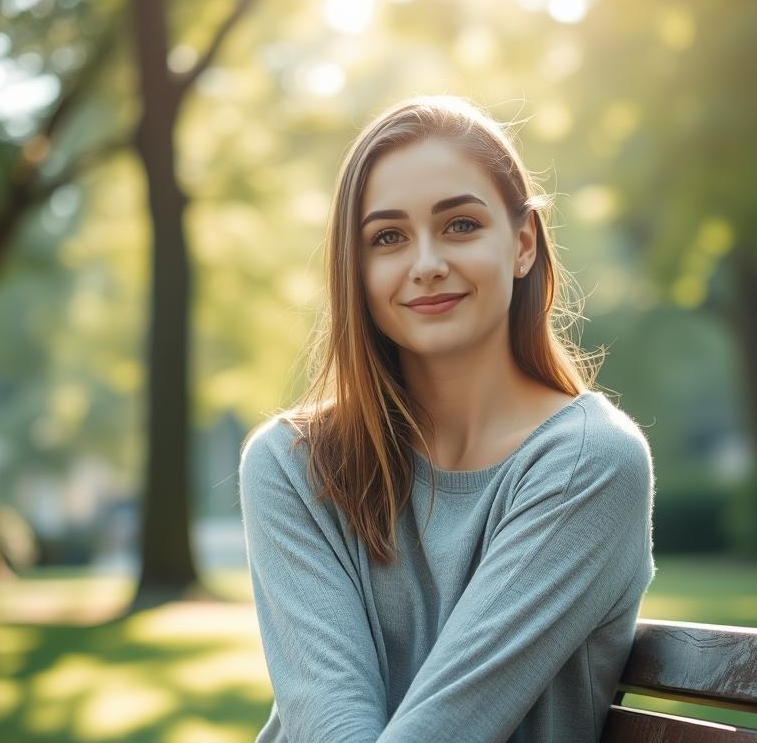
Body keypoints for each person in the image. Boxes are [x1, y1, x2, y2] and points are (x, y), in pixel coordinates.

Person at [238, 95, 656, 743]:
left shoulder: (589, 465)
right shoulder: (292, 465)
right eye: (388, 237)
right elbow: (326, 719)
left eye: (460, 225)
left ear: (521, 245)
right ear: (357, 269)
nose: (427, 264)